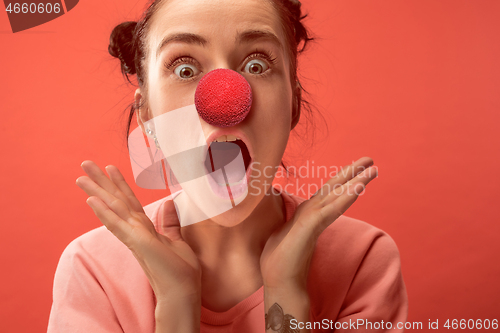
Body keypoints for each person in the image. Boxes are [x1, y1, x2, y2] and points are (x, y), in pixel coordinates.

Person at [47, 0, 408, 332]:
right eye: (185, 69)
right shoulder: (93, 269)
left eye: (256, 65)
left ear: (293, 104)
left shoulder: (361, 260)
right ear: (148, 116)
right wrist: (176, 303)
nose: (223, 99)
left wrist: (286, 292)